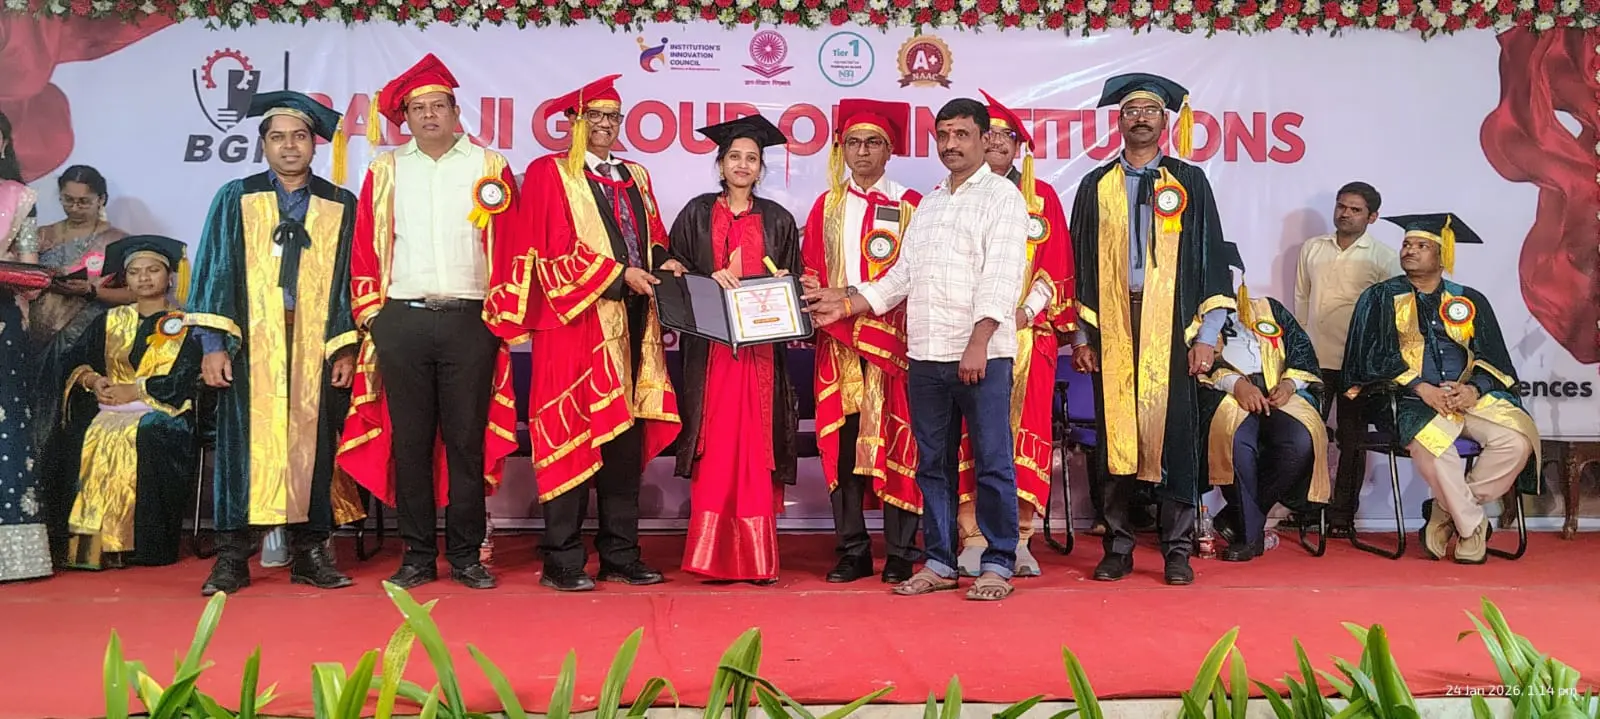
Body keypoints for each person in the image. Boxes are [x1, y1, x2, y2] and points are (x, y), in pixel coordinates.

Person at [805, 98, 1031, 602]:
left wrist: (978, 342)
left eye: (961, 134)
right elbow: (900, 278)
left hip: (980, 355)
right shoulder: (929, 204)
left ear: (983, 138)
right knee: (932, 464)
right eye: (943, 135)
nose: (950, 144)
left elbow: (1001, 277)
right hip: (926, 355)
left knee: (993, 462)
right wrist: (847, 304)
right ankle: (941, 560)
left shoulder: (1002, 197)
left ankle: (998, 562)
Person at [338, 55, 520, 590]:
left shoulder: (489, 166)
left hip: (470, 319)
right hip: (403, 320)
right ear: (406, 118)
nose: (430, 115)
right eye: (419, 109)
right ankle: (417, 555)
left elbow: (512, 244)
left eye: (439, 106)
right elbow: (365, 245)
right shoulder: (387, 170)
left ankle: (465, 555)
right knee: (410, 443)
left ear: (456, 112)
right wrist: (374, 316)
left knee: (466, 442)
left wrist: (502, 315)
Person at [497, 75, 680, 592]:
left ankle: (621, 554)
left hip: (632, 327)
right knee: (572, 437)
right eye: (593, 116)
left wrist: (666, 261)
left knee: (622, 447)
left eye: (611, 117)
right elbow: (550, 249)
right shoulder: (550, 172)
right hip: (574, 328)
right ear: (574, 122)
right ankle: (562, 559)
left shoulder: (635, 175)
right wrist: (620, 276)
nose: (604, 125)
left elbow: (650, 237)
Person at [186, 90, 365, 595]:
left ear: (314, 144)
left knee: (315, 446)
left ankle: (310, 551)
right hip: (248, 343)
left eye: (300, 137)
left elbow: (351, 280)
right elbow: (214, 270)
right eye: (278, 137)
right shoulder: (236, 196)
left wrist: (345, 346)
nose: (289, 146)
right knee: (242, 445)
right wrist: (212, 344)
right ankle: (232, 557)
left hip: (315, 341)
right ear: (263, 144)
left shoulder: (339, 204)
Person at [1068, 73, 1233, 586]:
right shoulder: (1095, 186)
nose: (1140, 118)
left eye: (1151, 111)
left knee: (1176, 435)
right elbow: (1078, 263)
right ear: (1118, 121)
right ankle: (1118, 545)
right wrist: (1081, 336)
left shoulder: (1189, 181)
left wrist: (1207, 336)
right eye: (1131, 110)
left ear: (1165, 121)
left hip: (1175, 328)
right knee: (1116, 433)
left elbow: (1211, 260)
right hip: (1113, 323)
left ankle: (1177, 549)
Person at [1341, 213, 1540, 564]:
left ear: (1442, 254)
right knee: (1437, 448)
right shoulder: (1380, 298)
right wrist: (1420, 387)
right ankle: (1472, 527)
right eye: (1407, 244)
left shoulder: (1469, 300)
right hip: (1407, 400)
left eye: (1421, 246)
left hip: (1465, 399)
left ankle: (1445, 511)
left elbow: (1493, 356)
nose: (1409, 251)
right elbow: (1369, 356)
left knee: (1517, 441)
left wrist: (1474, 389)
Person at [668, 114, 802, 585]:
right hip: (711, 355)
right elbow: (673, 269)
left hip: (761, 357)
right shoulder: (697, 213)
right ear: (721, 164)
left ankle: (757, 560)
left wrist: (786, 282)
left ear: (761, 168)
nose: (743, 165)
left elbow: (797, 284)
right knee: (717, 448)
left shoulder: (779, 220)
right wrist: (707, 276)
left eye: (752, 159)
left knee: (755, 449)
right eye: (734, 157)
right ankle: (710, 557)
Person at [952, 89, 1076, 579]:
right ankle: (972, 536)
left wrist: (1023, 314)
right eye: (992, 134)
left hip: (1026, 336)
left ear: (1020, 147)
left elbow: (1055, 268)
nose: (998, 142)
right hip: (968, 338)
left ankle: (1020, 537)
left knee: (1023, 438)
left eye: (1008, 136)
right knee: (970, 437)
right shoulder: (960, 193)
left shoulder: (1040, 198)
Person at [799, 98, 923, 585]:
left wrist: (855, 298)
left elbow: (915, 277)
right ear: (842, 149)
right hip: (840, 346)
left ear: (889, 151)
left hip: (894, 345)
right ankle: (851, 548)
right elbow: (812, 268)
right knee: (844, 444)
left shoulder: (912, 205)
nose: (863, 151)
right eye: (854, 142)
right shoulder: (826, 205)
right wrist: (812, 290)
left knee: (899, 441)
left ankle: (901, 550)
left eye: (874, 143)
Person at [57, 235, 198, 569]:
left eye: (152, 270)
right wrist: (94, 381)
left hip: (163, 409)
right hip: (110, 410)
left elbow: (188, 375)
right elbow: (74, 360)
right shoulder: (110, 320)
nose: (143, 278)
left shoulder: (186, 323)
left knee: (149, 432)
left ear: (170, 276)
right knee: (78, 435)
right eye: (134, 272)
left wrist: (136, 391)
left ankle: (143, 547)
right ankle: (89, 551)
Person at [1291, 182, 1401, 537]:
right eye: (1342, 206)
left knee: (1352, 439)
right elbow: (1301, 300)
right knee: (1307, 434)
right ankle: (1306, 509)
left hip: (1357, 365)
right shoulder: (1313, 248)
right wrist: (1300, 350)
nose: (1345, 214)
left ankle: (1341, 516)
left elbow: (1391, 315)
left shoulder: (1383, 257)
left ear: (1372, 217)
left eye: (1355, 210)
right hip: (1314, 360)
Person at [1199, 266, 1329, 561]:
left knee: (1300, 441)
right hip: (1227, 395)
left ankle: (1236, 517)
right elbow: (1196, 363)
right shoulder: (1197, 319)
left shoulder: (1269, 308)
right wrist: (1236, 384)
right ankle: (1249, 537)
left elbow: (1301, 350)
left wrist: (1290, 384)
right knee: (1238, 445)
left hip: (1277, 392)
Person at [0, 109, 52, 583]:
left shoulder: (21, 199)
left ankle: (15, 553)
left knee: (8, 424)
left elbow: (31, 269)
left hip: (3, 320)